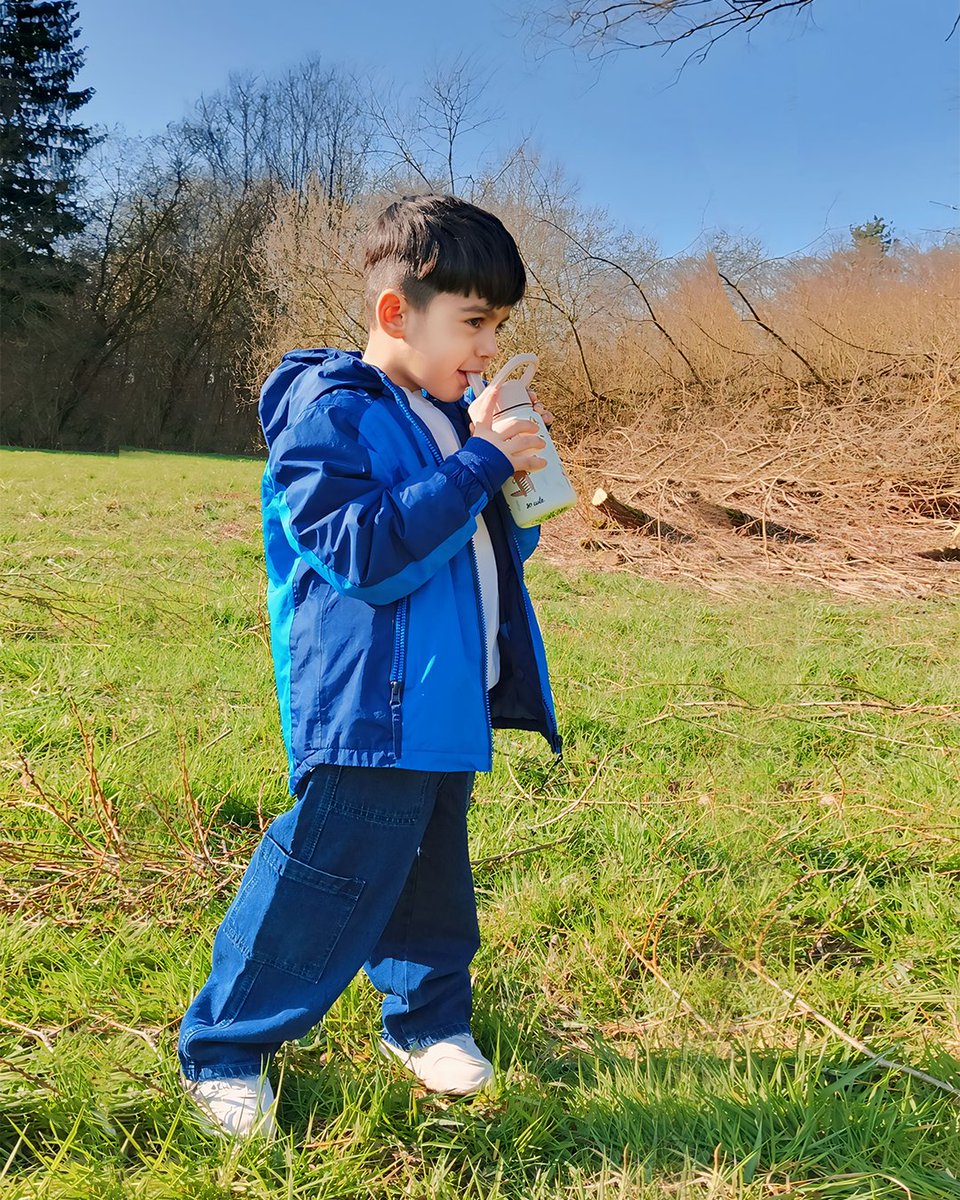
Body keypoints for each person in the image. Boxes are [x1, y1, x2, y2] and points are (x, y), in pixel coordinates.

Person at [177, 194, 562, 1138]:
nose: (487, 342)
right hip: (368, 705)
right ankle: (226, 1046)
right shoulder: (332, 412)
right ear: (398, 314)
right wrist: (475, 464)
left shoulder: (443, 416)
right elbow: (364, 552)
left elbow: (473, 555)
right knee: (326, 876)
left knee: (434, 877)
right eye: (474, 321)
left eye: (499, 325)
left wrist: (514, 489)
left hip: (445, 700)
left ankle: (425, 1021)